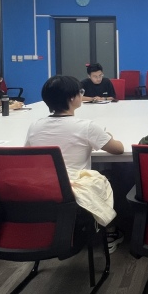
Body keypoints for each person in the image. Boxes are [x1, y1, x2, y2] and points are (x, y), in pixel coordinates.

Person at [24, 75, 126, 252]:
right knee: (114, 173)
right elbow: (118, 149)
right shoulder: (86, 127)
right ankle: (110, 232)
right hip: (73, 194)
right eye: (80, 92)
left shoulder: (35, 126)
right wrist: (107, 136)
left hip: (41, 189)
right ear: (72, 98)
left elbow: (28, 155)